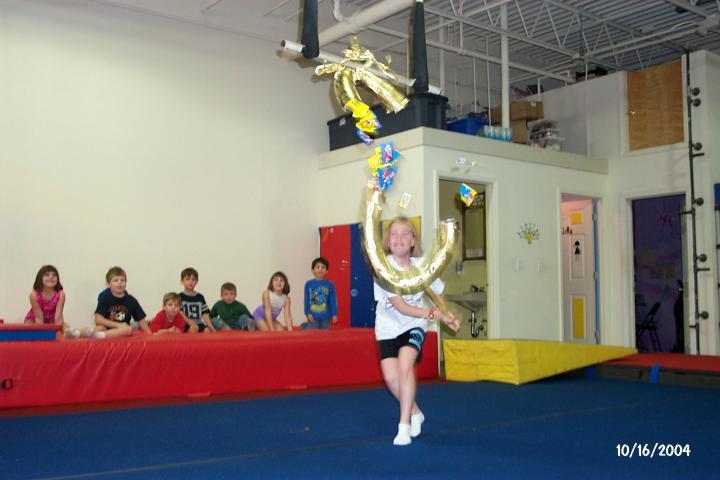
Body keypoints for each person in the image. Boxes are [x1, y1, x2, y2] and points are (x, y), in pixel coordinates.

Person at [374, 217, 459, 446]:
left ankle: (403, 426)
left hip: (414, 324)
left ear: (413, 241)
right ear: (388, 242)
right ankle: (415, 411)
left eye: (405, 234)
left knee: (405, 367)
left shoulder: (422, 266)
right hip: (388, 327)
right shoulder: (382, 268)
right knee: (392, 378)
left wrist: (446, 315)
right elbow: (400, 306)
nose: (399, 238)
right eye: (394, 234)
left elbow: (436, 293)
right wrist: (432, 314)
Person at [24, 265, 91, 339]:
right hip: (35, 320)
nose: (51, 277)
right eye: (47, 275)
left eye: (54, 275)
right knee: (29, 326)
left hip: (52, 319)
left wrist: (58, 331)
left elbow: (58, 317)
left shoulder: (60, 294)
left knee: (65, 327)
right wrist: (43, 333)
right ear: (40, 278)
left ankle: (78, 332)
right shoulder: (34, 294)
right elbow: (38, 317)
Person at [94, 266, 151, 338]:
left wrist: (149, 334)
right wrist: (118, 325)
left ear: (126, 283)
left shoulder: (131, 300)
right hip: (106, 328)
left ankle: (100, 336)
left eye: (122, 280)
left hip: (122, 331)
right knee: (98, 328)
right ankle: (83, 333)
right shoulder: (105, 298)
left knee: (128, 329)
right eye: (116, 280)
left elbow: (141, 321)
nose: (119, 283)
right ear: (108, 284)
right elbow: (98, 319)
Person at [301, 257, 338, 330]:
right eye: (318, 267)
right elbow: (307, 300)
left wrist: (334, 314)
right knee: (312, 331)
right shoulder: (309, 284)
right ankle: (305, 326)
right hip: (313, 315)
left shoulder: (330, 284)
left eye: (323, 267)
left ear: (327, 271)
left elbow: (333, 300)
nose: (320, 269)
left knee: (324, 333)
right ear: (313, 270)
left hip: (326, 316)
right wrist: (308, 313)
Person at [178, 267, 211, 333]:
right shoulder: (179, 297)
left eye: (193, 280)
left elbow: (205, 314)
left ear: (196, 282)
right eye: (187, 279)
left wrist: (211, 327)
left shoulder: (200, 297)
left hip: (199, 323)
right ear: (182, 281)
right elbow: (180, 313)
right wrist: (190, 323)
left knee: (207, 330)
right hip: (186, 324)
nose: (191, 282)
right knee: (194, 329)